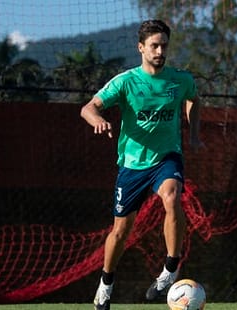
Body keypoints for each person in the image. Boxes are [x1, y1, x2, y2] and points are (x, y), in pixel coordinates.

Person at [80, 19, 203, 310]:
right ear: (141, 48)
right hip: (132, 166)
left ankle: (170, 268)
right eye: (154, 46)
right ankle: (105, 285)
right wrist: (98, 120)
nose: (160, 51)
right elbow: (89, 108)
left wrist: (194, 134)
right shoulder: (125, 82)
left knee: (172, 197)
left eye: (164, 46)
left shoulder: (180, 80)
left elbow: (193, 100)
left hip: (166, 157)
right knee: (121, 231)